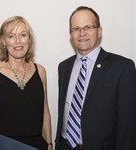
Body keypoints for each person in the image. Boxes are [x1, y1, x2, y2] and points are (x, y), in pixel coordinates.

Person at [55, 6, 136, 150]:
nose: (82, 33)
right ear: (70, 34)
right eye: (76, 28)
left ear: (99, 31)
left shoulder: (122, 67)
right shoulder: (64, 67)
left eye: (88, 27)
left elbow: (128, 126)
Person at [0, 16, 53, 150]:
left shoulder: (40, 71)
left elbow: (45, 112)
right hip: (3, 146)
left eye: (23, 35)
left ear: (29, 39)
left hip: (36, 146)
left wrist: (50, 144)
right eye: (11, 36)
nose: (18, 41)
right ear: (3, 41)